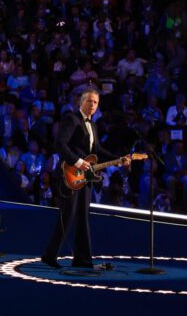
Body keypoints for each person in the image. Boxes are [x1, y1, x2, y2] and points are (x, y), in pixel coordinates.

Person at [41, 89, 131, 269]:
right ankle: (50, 255)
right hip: (70, 174)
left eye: (96, 102)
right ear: (81, 102)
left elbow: (97, 150)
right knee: (68, 215)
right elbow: (60, 144)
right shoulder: (71, 119)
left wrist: (118, 159)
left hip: (86, 176)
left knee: (83, 216)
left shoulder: (94, 125)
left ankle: (82, 259)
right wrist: (78, 161)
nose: (92, 105)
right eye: (89, 101)